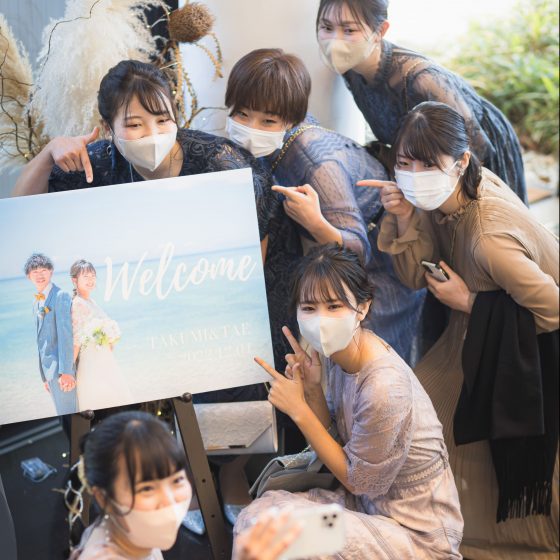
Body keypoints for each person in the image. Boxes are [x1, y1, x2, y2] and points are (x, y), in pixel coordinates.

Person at [365, 101, 559, 558]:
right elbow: (414, 277)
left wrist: (469, 302)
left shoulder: (490, 239)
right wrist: (405, 217)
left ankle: (484, 541)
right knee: (422, 413)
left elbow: (553, 309)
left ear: (462, 160)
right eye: (405, 163)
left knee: (436, 425)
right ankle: (441, 529)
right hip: (471, 338)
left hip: (524, 352)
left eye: (428, 165)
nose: (414, 176)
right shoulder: (447, 195)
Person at [237, 244, 464, 558]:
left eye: (334, 306)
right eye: (308, 308)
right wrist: (312, 389)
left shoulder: (385, 386)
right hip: (367, 508)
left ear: (363, 308)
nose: (321, 319)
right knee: (255, 521)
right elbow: (337, 441)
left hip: (414, 532)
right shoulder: (338, 355)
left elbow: (359, 480)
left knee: (282, 539)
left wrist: (298, 409)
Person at [225, 48, 424, 366]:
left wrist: (316, 222)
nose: (253, 127)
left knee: (368, 363)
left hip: (378, 265)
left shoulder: (317, 165)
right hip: (330, 263)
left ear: (291, 119)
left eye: (268, 121)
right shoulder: (277, 139)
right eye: (242, 114)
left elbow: (358, 250)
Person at [11, 59, 278, 263]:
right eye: (135, 124)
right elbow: (20, 217)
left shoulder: (218, 162)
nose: (153, 134)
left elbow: (257, 235)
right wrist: (48, 154)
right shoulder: (95, 165)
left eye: (162, 120)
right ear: (107, 128)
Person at [315, 0, 528, 204]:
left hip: (477, 152)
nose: (335, 41)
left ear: (380, 31)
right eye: (327, 27)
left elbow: (476, 151)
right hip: (430, 170)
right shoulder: (351, 69)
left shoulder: (421, 80)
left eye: (349, 30)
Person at [65, 410, 300, 559]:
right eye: (147, 489)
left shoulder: (129, 535)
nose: (169, 499)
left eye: (177, 480)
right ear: (103, 497)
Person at [70, 259, 133, 411]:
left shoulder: (91, 301)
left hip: (103, 358)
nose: (91, 280)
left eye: (93, 276)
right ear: (74, 280)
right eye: (86, 276)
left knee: (115, 400)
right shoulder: (78, 303)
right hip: (91, 362)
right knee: (102, 402)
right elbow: (76, 339)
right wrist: (68, 371)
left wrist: (110, 337)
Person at [24, 253, 77, 415]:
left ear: (51, 272)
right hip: (50, 374)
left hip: (62, 373)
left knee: (70, 415)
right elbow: (41, 342)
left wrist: (66, 372)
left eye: (43, 270)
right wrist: (44, 376)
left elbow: (66, 336)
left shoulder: (60, 295)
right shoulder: (36, 302)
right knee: (63, 416)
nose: (39, 275)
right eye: (35, 272)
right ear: (28, 276)